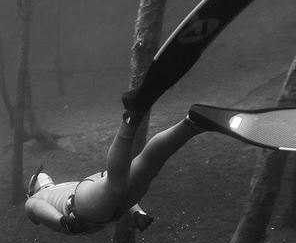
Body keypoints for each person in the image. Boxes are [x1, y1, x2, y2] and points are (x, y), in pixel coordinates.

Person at [25, 85, 204, 235]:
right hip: (94, 195)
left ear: (32, 190)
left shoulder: (35, 197)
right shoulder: (59, 188)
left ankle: (130, 119)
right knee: (146, 166)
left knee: (123, 181)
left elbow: (36, 206)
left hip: (81, 207)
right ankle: (192, 124)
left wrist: (63, 221)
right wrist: (137, 213)